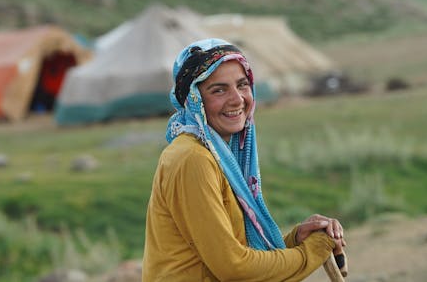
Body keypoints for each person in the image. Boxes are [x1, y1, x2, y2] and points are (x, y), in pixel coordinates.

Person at [142, 38, 346, 281]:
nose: (237, 99)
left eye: (242, 85)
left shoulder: (217, 155)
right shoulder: (192, 159)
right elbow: (234, 268)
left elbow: (230, 254)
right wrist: (311, 251)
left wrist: (295, 242)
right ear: (194, 99)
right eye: (218, 90)